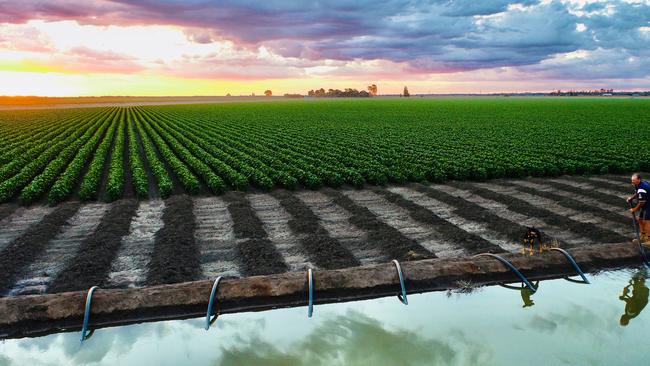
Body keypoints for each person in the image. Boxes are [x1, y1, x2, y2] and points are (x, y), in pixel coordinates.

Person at [628, 173, 650, 243]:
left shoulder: (642, 187)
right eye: (632, 180)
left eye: (634, 180)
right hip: (645, 205)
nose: (632, 182)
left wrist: (634, 209)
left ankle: (649, 239)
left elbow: (641, 202)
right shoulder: (638, 185)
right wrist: (631, 198)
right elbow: (637, 193)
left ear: (639, 179)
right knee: (640, 219)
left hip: (648, 205)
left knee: (646, 221)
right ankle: (643, 236)